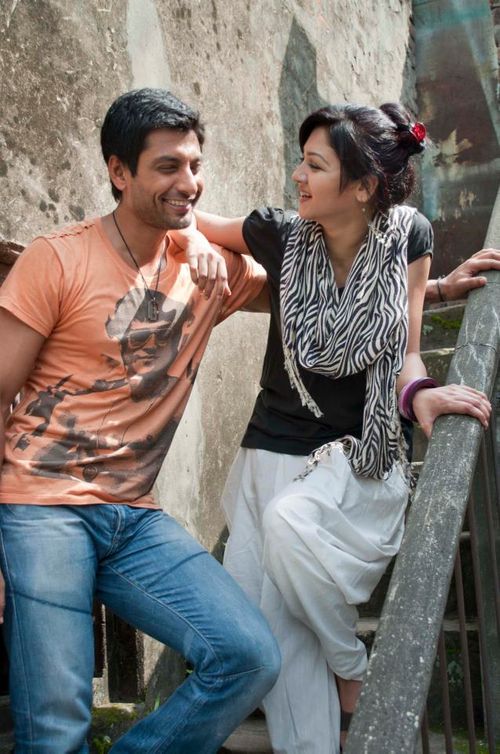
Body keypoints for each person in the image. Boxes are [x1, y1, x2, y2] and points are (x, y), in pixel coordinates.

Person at [174, 103, 492, 754]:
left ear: (364, 186)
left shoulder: (409, 237)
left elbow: (404, 347)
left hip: (353, 463)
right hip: (267, 453)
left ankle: (349, 668)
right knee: (264, 641)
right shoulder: (279, 235)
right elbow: (186, 223)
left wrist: (421, 393)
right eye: (302, 160)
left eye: (315, 165)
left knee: (290, 552)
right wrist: (201, 247)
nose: (297, 175)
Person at [0, 88, 281, 754]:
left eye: (194, 165)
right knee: (56, 730)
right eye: (167, 166)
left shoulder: (210, 270)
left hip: (133, 516)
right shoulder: (58, 258)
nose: (188, 181)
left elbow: (315, 281)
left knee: (247, 657)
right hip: (40, 507)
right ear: (119, 171)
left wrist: (431, 288)